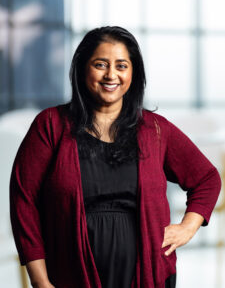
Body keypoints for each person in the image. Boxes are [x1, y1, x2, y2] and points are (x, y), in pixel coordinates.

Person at [10, 26, 221, 288]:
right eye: (101, 64)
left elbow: (207, 178)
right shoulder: (50, 125)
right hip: (69, 274)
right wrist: (40, 280)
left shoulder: (155, 129)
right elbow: (23, 201)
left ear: (133, 72)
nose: (111, 74)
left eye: (121, 65)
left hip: (147, 274)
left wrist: (189, 226)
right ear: (82, 69)